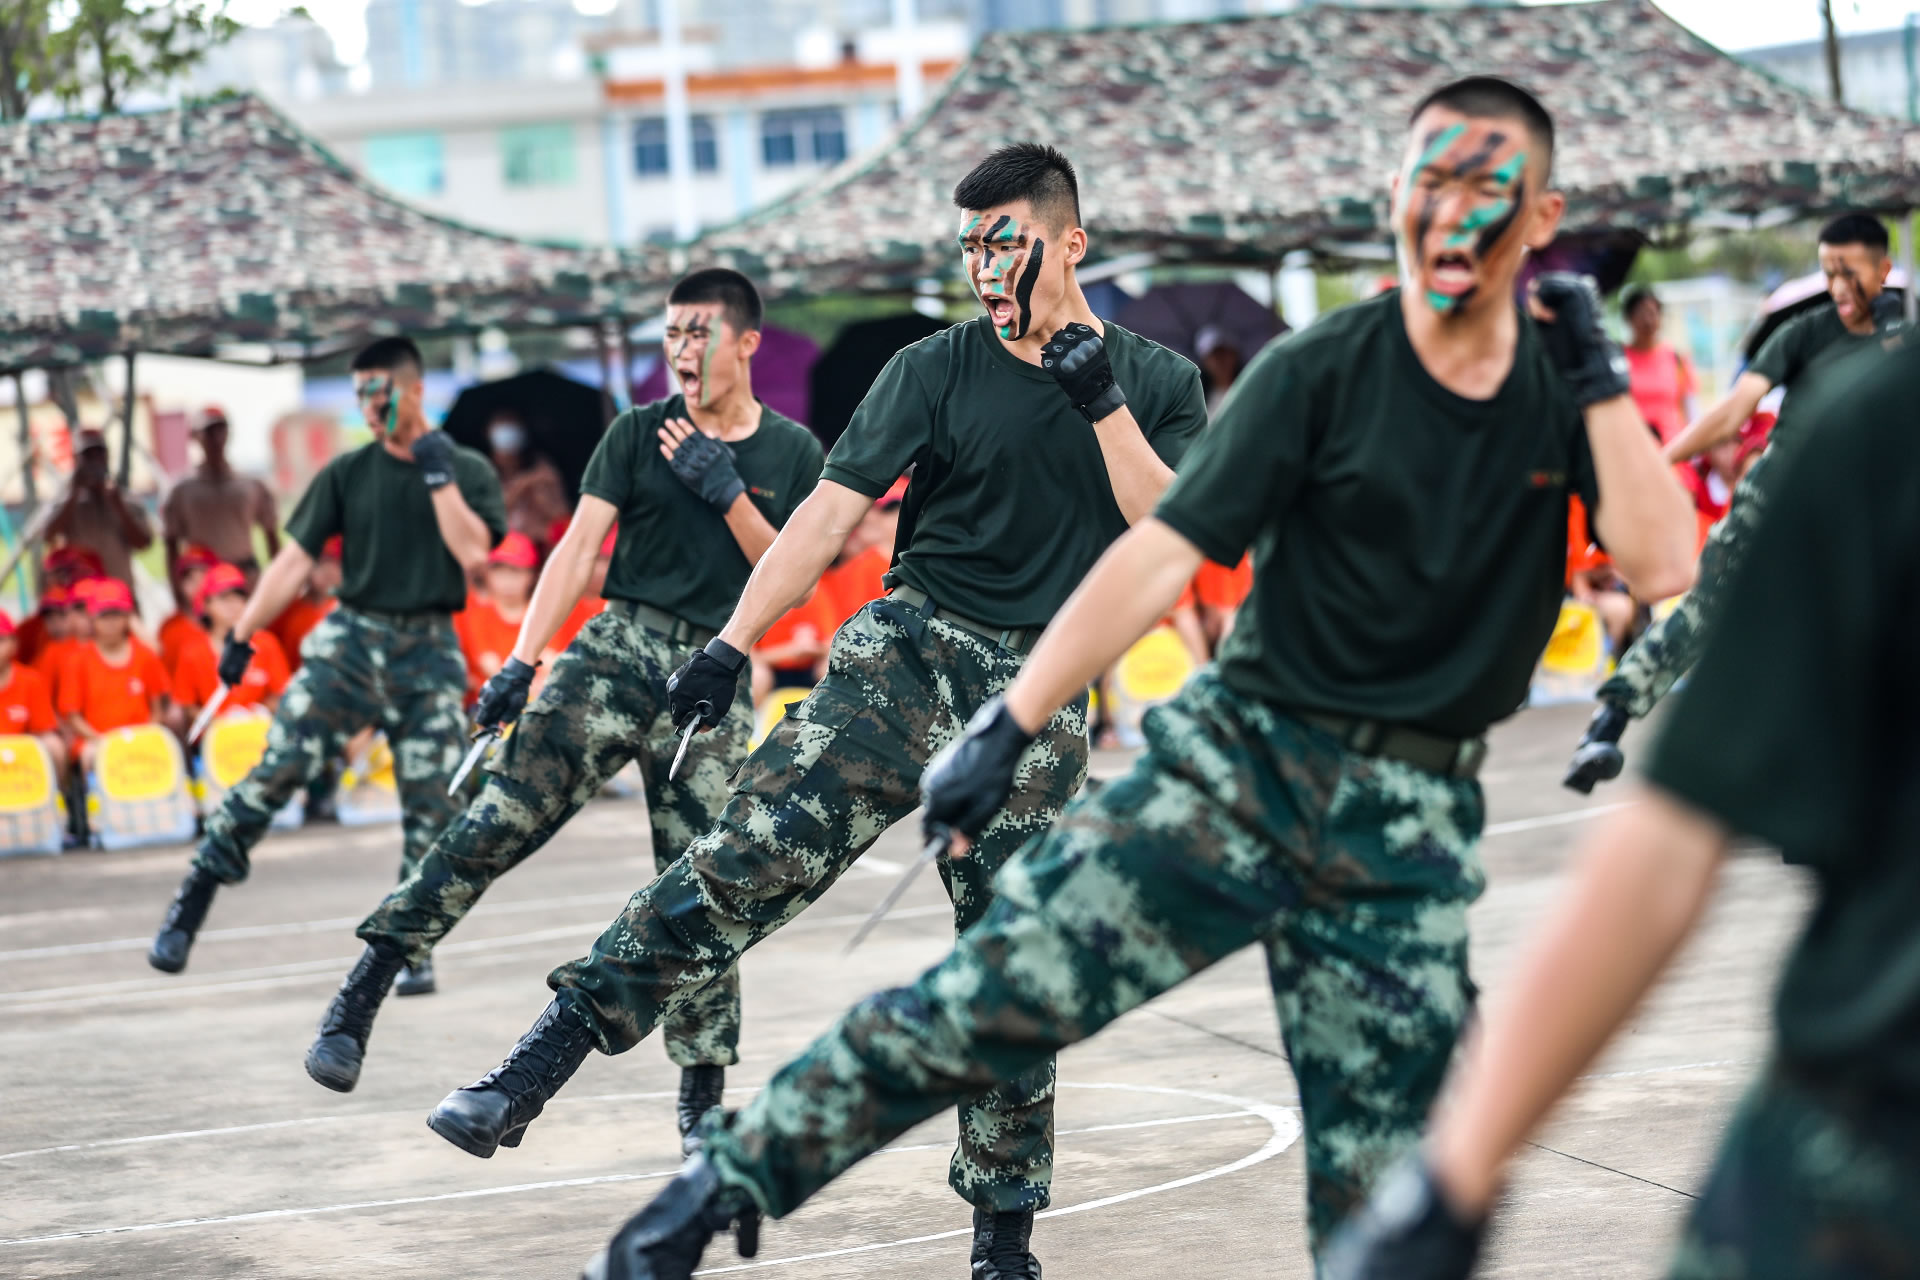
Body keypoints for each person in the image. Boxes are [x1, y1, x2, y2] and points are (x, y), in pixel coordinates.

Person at [576, 81, 1700, 1280]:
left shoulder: (1560, 393)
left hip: (1408, 823)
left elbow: (1662, 555)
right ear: (1393, 201)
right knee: (997, 990)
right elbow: (1164, 548)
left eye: (1489, 187)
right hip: (1237, 764)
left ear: (1543, 216)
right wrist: (1007, 724)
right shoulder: (1321, 370)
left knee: (1393, 1201)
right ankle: (724, 1179)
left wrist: (1598, 391)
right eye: (1431, 181)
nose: (1452, 212)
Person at [431, 142, 1209, 1280]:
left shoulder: (1156, 381)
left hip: (1039, 692)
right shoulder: (932, 367)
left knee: (1013, 962)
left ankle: (1002, 1242)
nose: (989, 271)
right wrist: (728, 641)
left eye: (1010, 245)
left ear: (1069, 243)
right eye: (971, 251)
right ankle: (524, 1076)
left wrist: (1095, 400)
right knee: (739, 860)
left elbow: (1175, 534)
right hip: (903, 658)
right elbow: (825, 518)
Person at [1320, 333, 1920, 1280]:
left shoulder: (1877, 419)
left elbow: (1668, 849)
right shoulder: (1868, 416)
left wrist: (1454, 1182)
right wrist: (1618, 701)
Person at [303, 269, 823, 1117]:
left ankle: (701, 1101)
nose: (683, 352)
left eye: (699, 333)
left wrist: (726, 490)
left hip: (713, 665)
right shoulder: (634, 431)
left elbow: (792, 575)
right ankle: (365, 989)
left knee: (701, 886)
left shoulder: (794, 452)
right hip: (615, 647)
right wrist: (522, 659)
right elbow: (578, 551)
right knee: (495, 818)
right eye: (673, 335)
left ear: (746, 342)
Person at [144, 335, 506, 978]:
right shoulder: (347, 473)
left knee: (432, 803)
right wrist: (243, 632)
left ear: (414, 391)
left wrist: (436, 473)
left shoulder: (465, 470)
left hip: (429, 649)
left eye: (380, 392)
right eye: (360, 393)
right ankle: (192, 897)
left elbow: (474, 554)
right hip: (352, 641)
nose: (369, 406)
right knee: (280, 766)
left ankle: (408, 945)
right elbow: (293, 561)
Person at [1565, 212, 1904, 791]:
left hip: (1870, 492)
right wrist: (1660, 459)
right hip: (1785, 481)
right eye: (1829, 274)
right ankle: (1607, 723)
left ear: (1883, 270)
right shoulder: (1804, 332)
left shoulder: (1906, 335)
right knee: (1709, 604)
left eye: (1852, 275)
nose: (1840, 289)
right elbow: (1732, 411)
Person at [58, 578, 173, 765]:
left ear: (128, 617)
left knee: (166, 745)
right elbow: (72, 715)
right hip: (96, 740)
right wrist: (100, 740)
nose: (111, 622)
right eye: (104, 615)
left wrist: (146, 736)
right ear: (92, 617)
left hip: (142, 737)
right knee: (90, 755)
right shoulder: (76, 660)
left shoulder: (145, 656)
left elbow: (157, 708)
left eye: (116, 614)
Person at [161, 409, 281, 586]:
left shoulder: (250, 485)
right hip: (205, 581)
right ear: (195, 436)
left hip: (245, 576)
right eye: (209, 432)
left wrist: (276, 582)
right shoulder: (182, 491)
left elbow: (271, 534)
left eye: (221, 430)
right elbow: (171, 545)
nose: (216, 438)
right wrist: (179, 593)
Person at [171, 563, 291, 721]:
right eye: (224, 598)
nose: (233, 605)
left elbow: (281, 694)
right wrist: (218, 722)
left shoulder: (266, 642)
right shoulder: (191, 651)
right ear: (206, 605)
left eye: (239, 596)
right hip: (215, 739)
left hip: (260, 732)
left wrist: (257, 712)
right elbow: (187, 705)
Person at [46, 428, 153, 593]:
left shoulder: (125, 499)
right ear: (77, 461)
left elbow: (144, 543)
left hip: (120, 596)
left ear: (107, 456)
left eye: (99, 454)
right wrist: (74, 493)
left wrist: (118, 506)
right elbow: (48, 535)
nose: (95, 461)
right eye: (88, 456)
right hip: (82, 599)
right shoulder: (67, 501)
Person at [1619, 285, 1695, 445]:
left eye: (1652, 313)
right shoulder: (1617, 359)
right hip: (1631, 449)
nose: (1647, 320)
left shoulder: (1677, 359)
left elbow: (1690, 411)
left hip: (1674, 451)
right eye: (1640, 314)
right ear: (1629, 318)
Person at [488, 410, 572, 550]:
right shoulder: (484, 471)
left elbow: (560, 513)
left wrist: (542, 494)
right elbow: (492, 513)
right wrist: (522, 485)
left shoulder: (542, 466)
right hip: (502, 551)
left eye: (513, 433)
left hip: (539, 548)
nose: (508, 443)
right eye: (502, 435)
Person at [0, 610, 67, 776]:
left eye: (0, 640)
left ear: (14, 644)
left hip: (24, 753)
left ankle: (57, 795)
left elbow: (44, 729)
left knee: (54, 745)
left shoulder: (31, 680)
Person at [268, 536, 341, 672]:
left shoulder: (347, 611)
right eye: (319, 564)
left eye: (334, 563)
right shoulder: (284, 609)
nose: (328, 572)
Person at [158, 545, 221, 675]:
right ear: (180, 585)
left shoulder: (237, 621)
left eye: (204, 574)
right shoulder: (171, 629)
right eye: (189, 578)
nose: (198, 583)